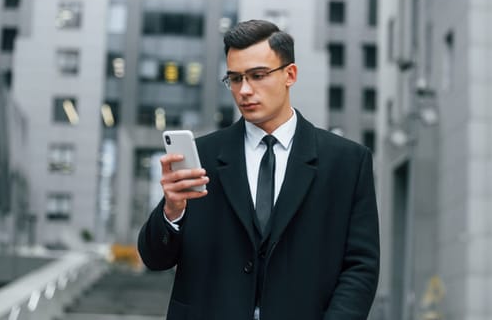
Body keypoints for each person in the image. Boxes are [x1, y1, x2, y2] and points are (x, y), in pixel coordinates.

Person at [138, 19, 379, 320]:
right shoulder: (203, 157)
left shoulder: (346, 162)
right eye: (235, 79)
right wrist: (171, 212)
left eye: (257, 75)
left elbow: (361, 267)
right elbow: (155, 258)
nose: (244, 90)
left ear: (290, 74)